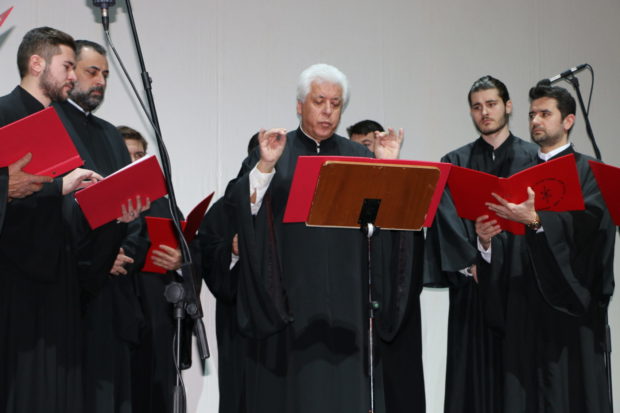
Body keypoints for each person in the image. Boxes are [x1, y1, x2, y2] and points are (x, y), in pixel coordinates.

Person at [223, 63, 417, 412]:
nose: (328, 110)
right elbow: (241, 210)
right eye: (319, 101)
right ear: (300, 105)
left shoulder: (359, 156)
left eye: (336, 103)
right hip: (291, 301)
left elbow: (385, 226)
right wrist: (264, 167)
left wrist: (387, 168)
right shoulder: (274, 151)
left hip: (348, 301)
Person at [475, 84, 615, 413]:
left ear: (568, 121)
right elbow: (508, 242)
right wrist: (486, 241)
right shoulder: (516, 176)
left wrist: (537, 221)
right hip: (524, 309)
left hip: (571, 311)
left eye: (544, 113)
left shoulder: (589, 172)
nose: (535, 120)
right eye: (531, 115)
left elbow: (591, 232)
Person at [0, 26, 103, 413]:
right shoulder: (3, 113)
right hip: (13, 279)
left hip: (60, 274)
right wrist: (57, 187)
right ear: (36, 63)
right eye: (67, 66)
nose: (73, 76)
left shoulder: (66, 123)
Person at [424, 75, 538, 413]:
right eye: (476, 107)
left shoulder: (534, 159)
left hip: (522, 287)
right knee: (472, 384)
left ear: (508, 106)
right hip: (473, 293)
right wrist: (475, 254)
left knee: (521, 383)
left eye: (491, 104)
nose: (484, 112)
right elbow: (445, 222)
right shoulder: (454, 163)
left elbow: (544, 222)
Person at [53, 39, 149, 413]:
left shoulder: (110, 135)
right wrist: (99, 255)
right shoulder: (52, 122)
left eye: (105, 75)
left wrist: (123, 250)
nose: (101, 82)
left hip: (114, 296)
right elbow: (51, 207)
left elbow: (132, 207)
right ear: (70, 72)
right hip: (69, 290)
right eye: (92, 72)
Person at [198, 132, 258, 413]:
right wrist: (231, 251)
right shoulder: (227, 208)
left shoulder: (293, 204)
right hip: (240, 323)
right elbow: (208, 254)